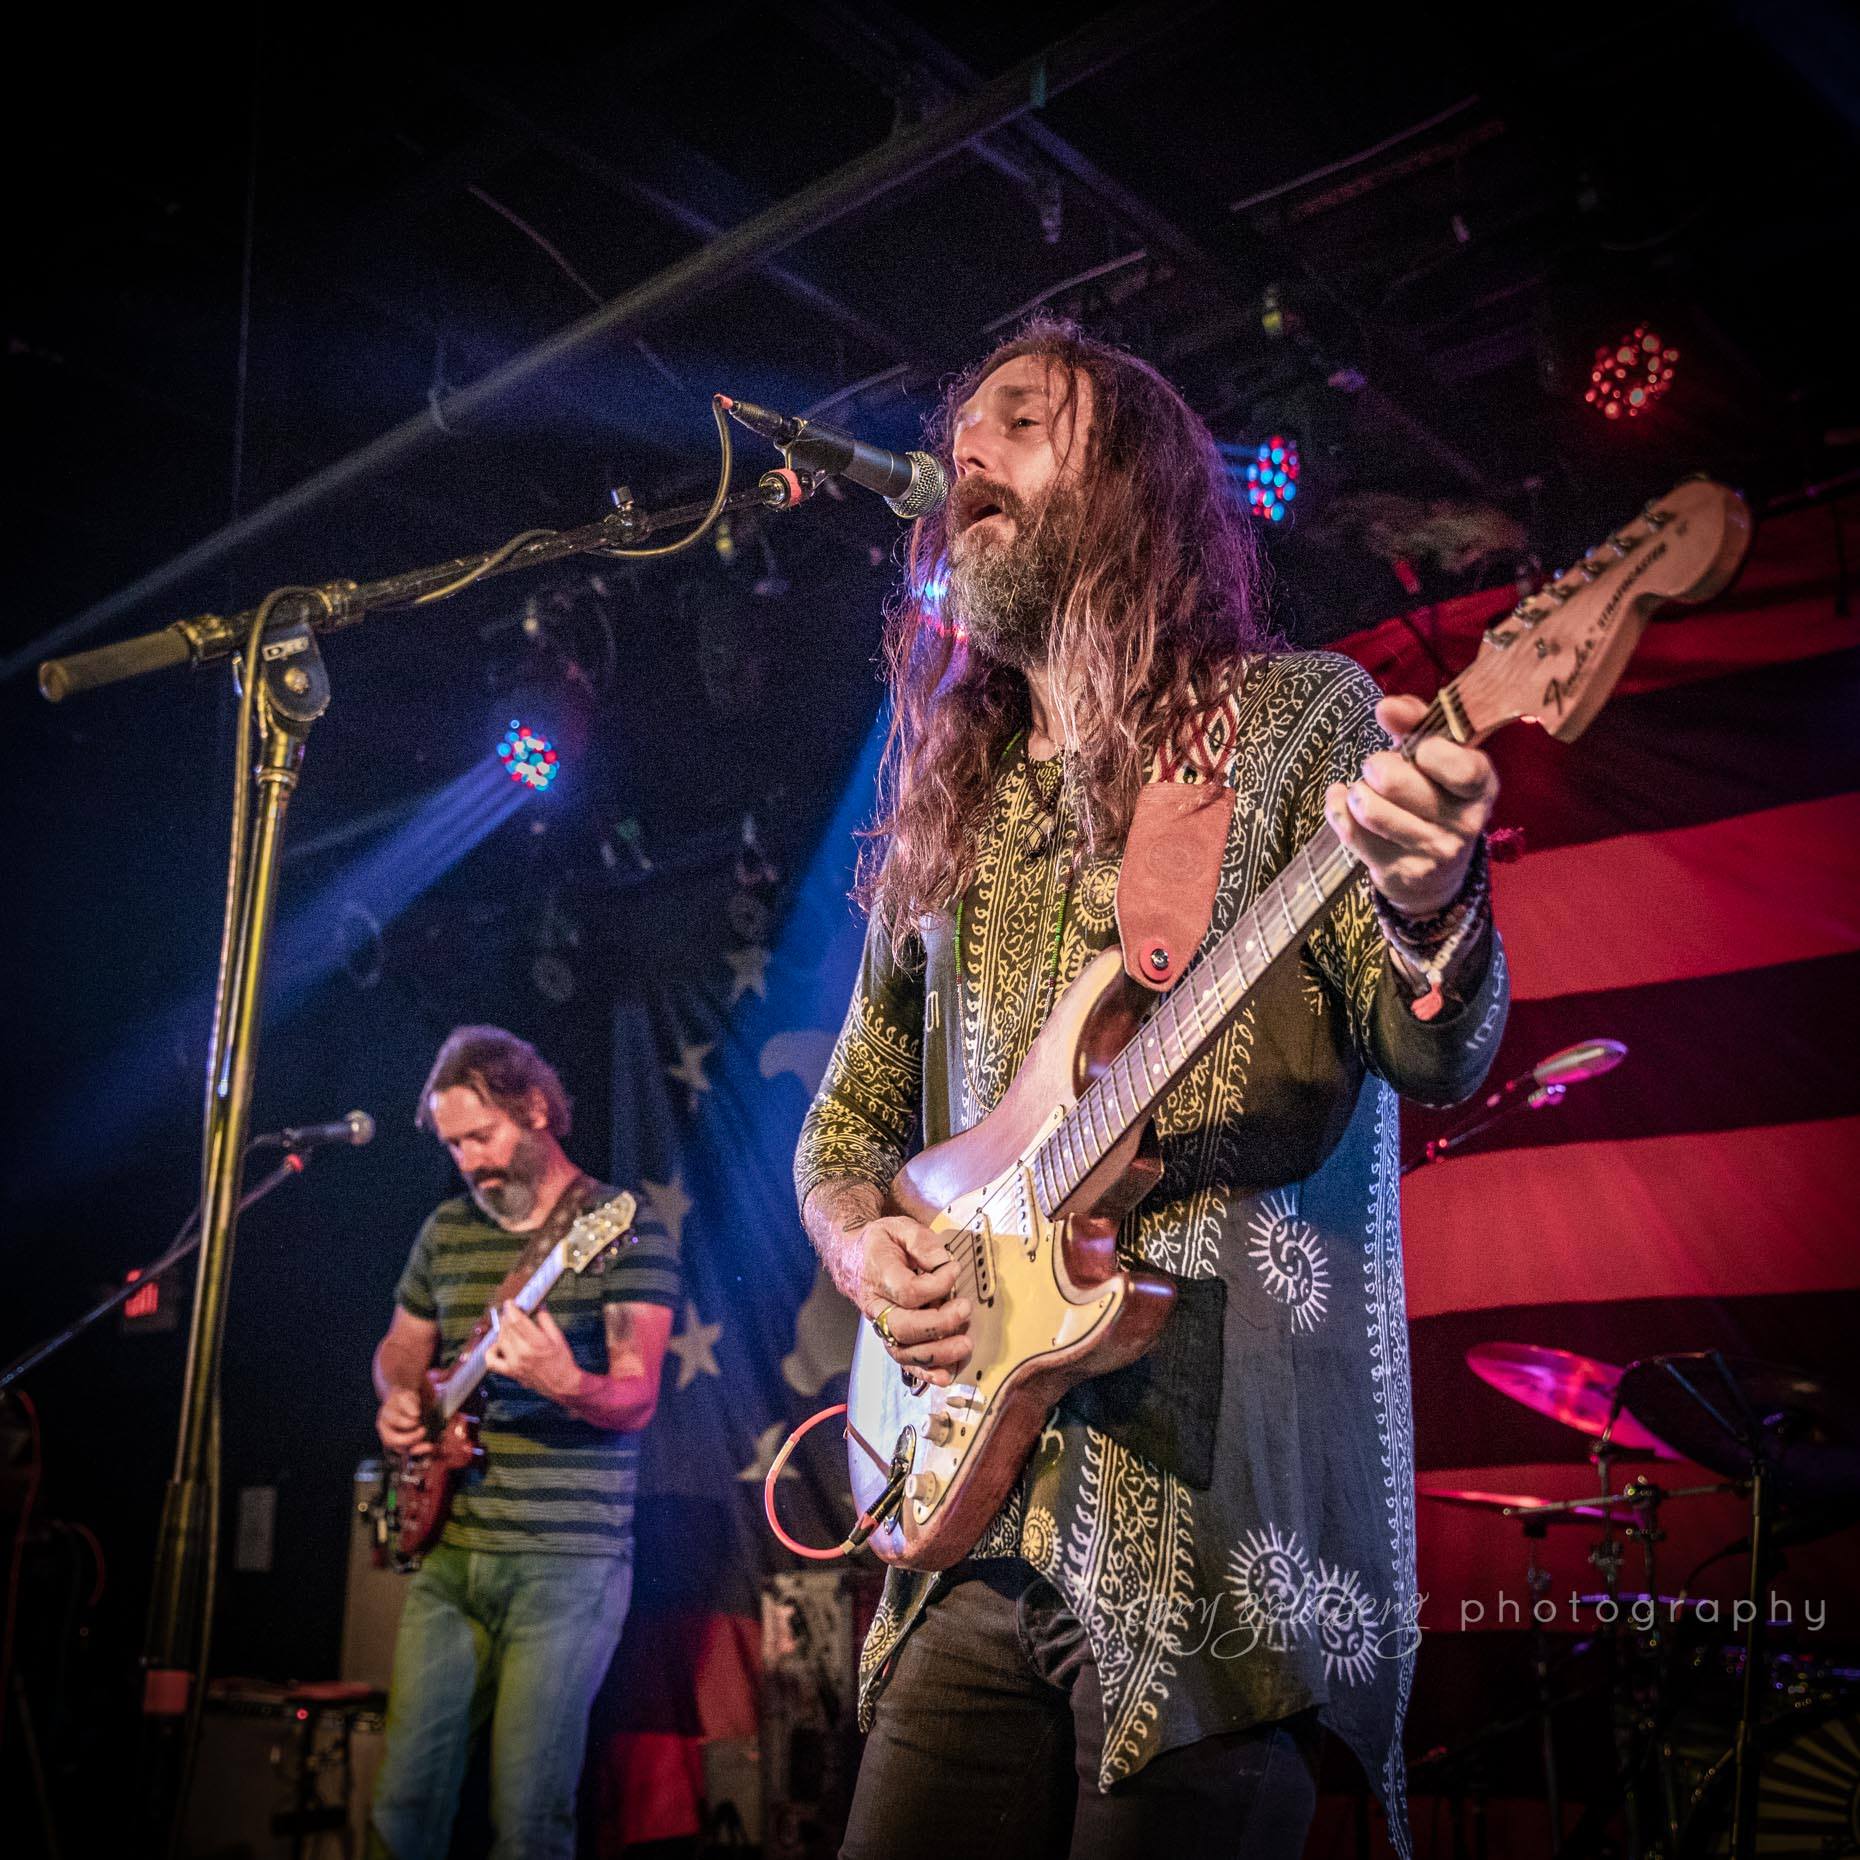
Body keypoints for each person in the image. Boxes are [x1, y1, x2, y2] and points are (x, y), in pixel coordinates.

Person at [794, 321, 1507, 1859]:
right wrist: (866, 1251)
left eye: (1021, 421)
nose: (965, 452)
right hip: (967, 1518)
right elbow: (845, 1129)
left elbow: (1432, 1050)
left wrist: (1433, 901)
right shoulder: (951, 805)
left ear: (1130, 482)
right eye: (962, 430)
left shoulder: (1294, 725)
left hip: (1210, 1518)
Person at [366, 1026, 678, 1860]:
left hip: (565, 1564)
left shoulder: (622, 1228)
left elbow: (637, 1396)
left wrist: (563, 1381)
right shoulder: (445, 1230)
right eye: (453, 1145)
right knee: (401, 1808)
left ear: (536, 1107)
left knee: (530, 1820)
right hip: (449, 1559)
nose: (469, 1161)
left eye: (481, 1136)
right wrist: (400, 1398)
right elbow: (401, 1347)